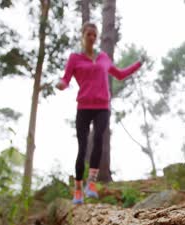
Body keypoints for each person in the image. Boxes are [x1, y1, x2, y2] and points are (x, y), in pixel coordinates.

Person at [56, 22, 142, 204]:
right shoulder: (75, 58)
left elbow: (119, 74)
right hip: (84, 106)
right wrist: (62, 84)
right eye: (89, 34)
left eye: (95, 35)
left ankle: (91, 184)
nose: (92, 38)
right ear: (83, 35)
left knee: (98, 140)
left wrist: (137, 65)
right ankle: (78, 189)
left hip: (103, 105)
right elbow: (66, 78)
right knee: (82, 147)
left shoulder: (103, 58)